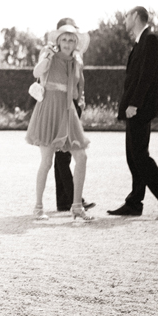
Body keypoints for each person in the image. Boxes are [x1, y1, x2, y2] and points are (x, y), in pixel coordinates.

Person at [107, 6, 158, 220]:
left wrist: (134, 104)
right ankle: (134, 203)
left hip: (139, 109)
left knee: (141, 157)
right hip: (134, 108)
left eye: (127, 16)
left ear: (137, 17)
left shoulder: (151, 39)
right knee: (133, 156)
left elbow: (147, 76)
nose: (125, 20)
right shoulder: (141, 41)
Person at [25, 24, 94, 221]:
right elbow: (37, 73)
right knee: (46, 161)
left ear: (76, 44)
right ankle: (38, 208)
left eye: (71, 40)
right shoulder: (48, 53)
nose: (67, 43)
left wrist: (76, 68)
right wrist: (47, 57)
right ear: (58, 41)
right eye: (64, 39)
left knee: (81, 157)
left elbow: (73, 91)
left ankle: (77, 207)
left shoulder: (76, 61)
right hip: (48, 108)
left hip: (67, 108)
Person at [49, 18, 95, 213]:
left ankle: (63, 201)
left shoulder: (77, 57)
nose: (71, 39)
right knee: (63, 156)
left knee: (63, 157)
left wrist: (81, 100)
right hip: (61, 106)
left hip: (74, 104)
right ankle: (72, 198)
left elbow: (80, 83)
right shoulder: (54, 56)